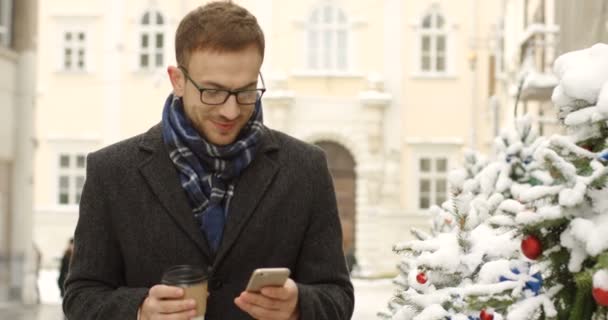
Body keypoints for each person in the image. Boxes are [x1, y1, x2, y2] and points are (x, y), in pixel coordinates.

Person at [63, 1, 354, 319]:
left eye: (245, 91)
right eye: (212, 92)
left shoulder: (306, 168)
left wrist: (300, 305)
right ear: (177, 80)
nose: (230, 111)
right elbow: (81, 297)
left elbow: (337, 296)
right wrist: (139, 310)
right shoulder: (112, 171)